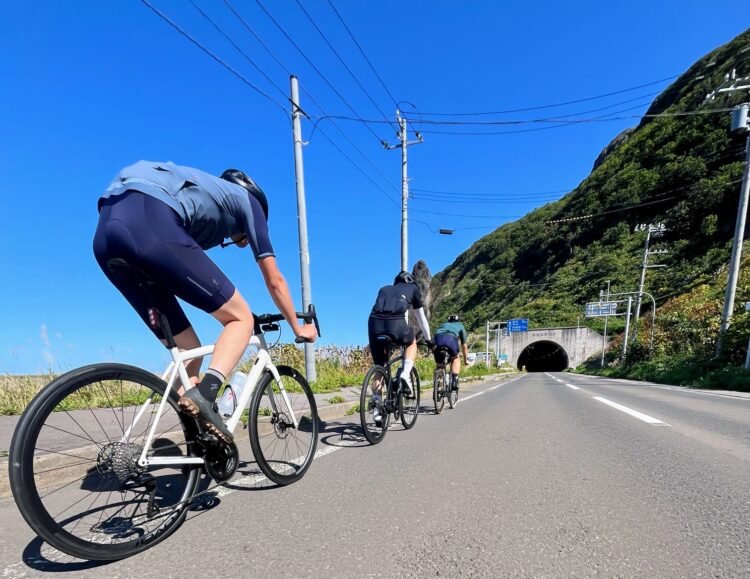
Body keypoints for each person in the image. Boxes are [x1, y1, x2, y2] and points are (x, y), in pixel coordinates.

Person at [93, 160, 317, 444]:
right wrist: (298, 328)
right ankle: (207, 394)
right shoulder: (250, 202)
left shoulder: (200, 200)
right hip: (151, 218)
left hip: (106, 234)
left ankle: (143, 444)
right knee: (241, 318)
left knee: (190, 351)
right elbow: (274, 280)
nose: (242, 241)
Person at [367, 271, 432, 423]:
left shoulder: (384, 289)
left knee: (379, 367)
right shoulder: (413, 289)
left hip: (374, 323)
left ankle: (377, 410)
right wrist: (429, 339)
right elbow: (421, 320)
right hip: (395, 323)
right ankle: (405, 374)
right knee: (411, 343)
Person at [433, 314, 469, 391]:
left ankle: (437, 385)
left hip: (438, 338)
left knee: (439, 365)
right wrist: (466, 360)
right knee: (455, 357)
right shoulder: (460, 325)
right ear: (458, 320)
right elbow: (464, 347)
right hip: (451, 339)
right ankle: (454, 380)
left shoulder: (443, 324)